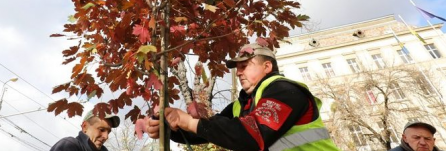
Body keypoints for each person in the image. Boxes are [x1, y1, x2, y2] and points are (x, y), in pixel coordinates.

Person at [147, 43, 340, 151]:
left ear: (267, 67)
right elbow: (208, 128)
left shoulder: (284, 91)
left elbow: (251, 135)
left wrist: (188, 121)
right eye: (237, 68)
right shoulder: (240, 106)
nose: (239, 73)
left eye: (245, 66)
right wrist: (169, 128)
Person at [50, 109, 120, 151]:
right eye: (101, 130)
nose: (106, 136)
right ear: (85, 126)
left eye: (109, 132)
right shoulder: (69, 145)